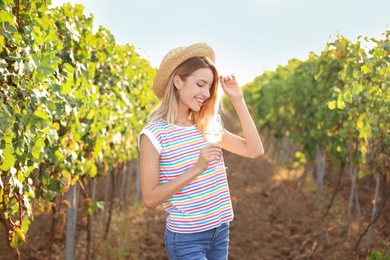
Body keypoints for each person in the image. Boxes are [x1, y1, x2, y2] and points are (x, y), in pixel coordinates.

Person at [138, 42, 264, 259]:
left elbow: (254, 150)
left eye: (209, 87)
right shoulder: (154, 134)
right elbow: (150, 199)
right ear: (178, 81)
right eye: (200, 84)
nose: (206, 93)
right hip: (186, 238)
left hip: (219, 230)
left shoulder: (206, 125)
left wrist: (238, 99)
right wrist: (197, 168)